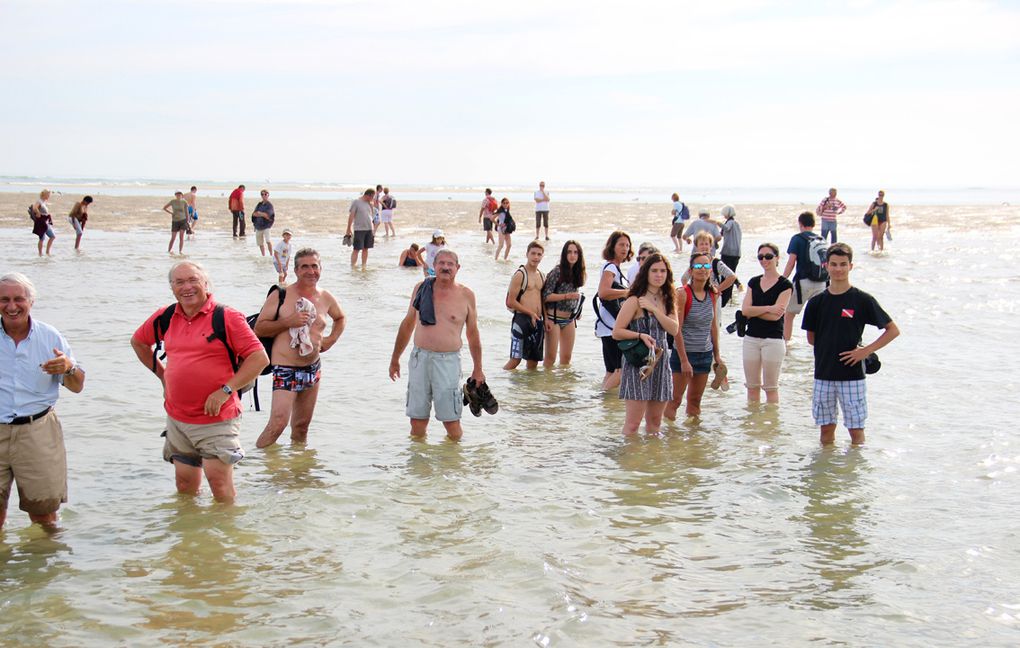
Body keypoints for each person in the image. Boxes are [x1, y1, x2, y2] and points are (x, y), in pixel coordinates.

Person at [130, 261, 269, 503]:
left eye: (193, 280)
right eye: (179, 282)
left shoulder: (227, 317)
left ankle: (227, 538)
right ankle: (190, 539)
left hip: (217, 418)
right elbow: (138, 342)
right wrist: (163, 376)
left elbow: (259, 359)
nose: (187, 287)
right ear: (172, 287)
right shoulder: (165, 316)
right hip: (177, 418)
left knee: (220, 486)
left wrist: (226, 390)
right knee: (184, 487)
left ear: (206, 284)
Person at [0, 273, 85, 529]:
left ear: (31, 301)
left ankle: (46, 568)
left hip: (38, 431)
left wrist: (68, 368)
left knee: (45, 516)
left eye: (18, 299)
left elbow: (78, 386)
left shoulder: (50, 336)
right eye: (4, 299)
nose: (12, 306)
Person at [802, 243, 900, 445]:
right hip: (823, 375)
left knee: (856, 432)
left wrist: (865, 351)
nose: (838, 269)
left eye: (843, 264)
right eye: (834, 264)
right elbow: (811, 338)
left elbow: (892, 330)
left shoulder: (862, 299)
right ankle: (827, 473)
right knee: (826, 431)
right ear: (826, 266)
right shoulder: (816, 302)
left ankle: (854, 474)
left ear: (851, 266)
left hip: (853, 377)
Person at [389, 249, 485, 441]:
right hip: (419, 358)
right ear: (434, 266)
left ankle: (453, 466)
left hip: (448, 362)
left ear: (457, 268)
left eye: (450, 264)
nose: (445, 267)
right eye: (441, 263)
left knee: (451, 422)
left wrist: (478, 369)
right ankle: (418, 467)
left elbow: (472, 334)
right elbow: (408, 324)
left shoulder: (466, 295)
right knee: (417, 421)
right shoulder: (421, 288)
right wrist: (395, 359)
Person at [254, 249, 346, 448]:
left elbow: (340, 318)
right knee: (278, 424)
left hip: (312, 367)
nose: (310, 271)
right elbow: (259, 328)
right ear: (296, 270)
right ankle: (256, 468)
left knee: (302, 426)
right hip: (285, 368)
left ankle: (299, 474)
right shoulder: (281, 295)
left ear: (320, 269)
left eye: (314, 266)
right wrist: (288, 322)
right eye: (305, 266)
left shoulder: (325, 297)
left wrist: (331, 340)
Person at [612, 253, 679, 435]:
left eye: (663, 271)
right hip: (638, 362)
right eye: (654, 271)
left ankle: (652, 461)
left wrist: (655, 310)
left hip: (661, 362)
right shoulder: (634, 300)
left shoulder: (669, 299)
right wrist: (640, 335)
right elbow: (617, 332)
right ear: (646, 273)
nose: (659, 275)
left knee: (655, 423)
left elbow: (673, 329)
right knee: (633, 424)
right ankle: (630, 460)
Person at [664, 252, 723, 420]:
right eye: (698, 266)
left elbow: (713, 327)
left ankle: (694, 442)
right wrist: (683, 360)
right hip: (684, 355)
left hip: (704, 355)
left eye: (706, 266)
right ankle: (669, 438)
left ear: (711, 270)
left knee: (695, 401)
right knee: (675, 400)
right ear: (690, 271)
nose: (702, 270)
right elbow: (677, 329)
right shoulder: (682, 294)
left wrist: (717, 355)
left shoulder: (713, 294)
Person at [742, 243, 793, 404]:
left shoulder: (785, 284)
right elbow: (745, 310)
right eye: (761, 257)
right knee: (752, 386)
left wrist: (755, 311)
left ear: (777, 258)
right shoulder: (753, 282)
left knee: (771, 388)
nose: (764, 260)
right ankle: (753, 425)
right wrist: (769, 308)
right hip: (751, 338)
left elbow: (775, 317)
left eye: (768, 256)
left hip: (773, 339)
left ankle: (770, 427)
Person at [595, 230, 633, 390]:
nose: (625, 248)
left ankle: (605, 408)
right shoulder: (611, 267)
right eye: (621, 245)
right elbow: (603, 292)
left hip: (607, 327)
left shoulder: (614, 268)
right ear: (613, 246)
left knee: (611, 371)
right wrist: (628, 292)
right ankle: (600, 398)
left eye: (627, 245)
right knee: (621, 370)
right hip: (612, 328)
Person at [782, 211, 827, 341]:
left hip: (803, 283)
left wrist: (782, 280)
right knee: (817, 316)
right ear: (813, 224)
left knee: (789, 315)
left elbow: (791, 263)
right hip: (821, 283)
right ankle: (817, 344)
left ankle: (786, 343)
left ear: (800, 223)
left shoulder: (797, 238)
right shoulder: (821, 239)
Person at [542, 240, 586, 367]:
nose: (572, 255)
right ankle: (547, 385)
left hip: (569, 319)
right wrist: (566, 296)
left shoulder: (578, 272)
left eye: (576, 252)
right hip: (553, 318)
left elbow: (576, 295)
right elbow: (545, 296)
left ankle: (563, 386)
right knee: (550, 359)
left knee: (566, 359)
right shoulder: (557, 271)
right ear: (564, 254)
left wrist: (578, 310)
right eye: (569, 252)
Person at [504, 240, 545, 371]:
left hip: (538, 321)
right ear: (527, 254)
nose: (536, 257)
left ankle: (528, 391)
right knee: (515, 360)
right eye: (533, 253)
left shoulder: (542, 276)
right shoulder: (520, 274)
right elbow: (510, 301)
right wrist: (530, 313)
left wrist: (547, 319)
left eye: (539, 254)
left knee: (533, 362)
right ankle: (498, 383)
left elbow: (543, 301)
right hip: (521, 320)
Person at [718, 204, 743, 306]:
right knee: (732, 273)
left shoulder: (731, 222)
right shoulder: (737, 224)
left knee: (726, 275)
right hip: (736, 253)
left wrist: (716, 223)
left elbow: (726, 228)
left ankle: (724, 298)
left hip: (728, 252)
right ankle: (735, 288)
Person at [346, 188, 376, 269]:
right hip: (359, 229)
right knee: (356, 249)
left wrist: (373, 230)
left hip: (369, 229)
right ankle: (353, 266)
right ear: (368, 195)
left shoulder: (370, 204)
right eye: (372, 197)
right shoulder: (356, 202)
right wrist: (348, 229)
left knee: (366, 249)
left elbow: (371, 217)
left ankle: (364, 266)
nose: (373, 199)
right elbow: (351, 216)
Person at [30, 189, 56, 257]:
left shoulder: (44, 202)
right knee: (42, 237)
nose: (49, 196)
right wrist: (38, 213)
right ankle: (40, 253)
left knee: (52, 236)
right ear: (44, 194)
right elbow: (34, 207)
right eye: (48, 195)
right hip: (41, 221)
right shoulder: (39, 201)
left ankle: (47, 252)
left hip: (46, 221)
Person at [251, 189, 276, 256]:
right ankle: (263, 255)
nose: (264, 196)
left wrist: (260, 213)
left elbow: (268, 215)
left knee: (268, 240)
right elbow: (254, 214)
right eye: (262, 194)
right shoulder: (259, 204)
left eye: (265, 194)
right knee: (260, 243)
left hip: (266, 226)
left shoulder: (269, 205)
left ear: (268, 195)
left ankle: (271, 255)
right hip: (258, 226)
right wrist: (261, 214)